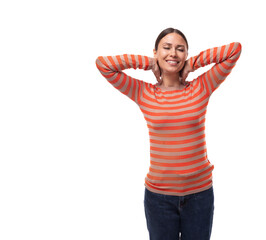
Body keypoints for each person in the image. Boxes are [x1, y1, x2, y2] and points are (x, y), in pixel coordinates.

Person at [95, 27, 242, 240]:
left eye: (180, 49)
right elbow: (104, 65)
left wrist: (193, 64)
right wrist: (148, 63)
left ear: (186, 55)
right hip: (159, 198)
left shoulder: (201, 87)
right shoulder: (144, 92)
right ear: (155, 52)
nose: (173, 53)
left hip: (199, 195)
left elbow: (234, 51)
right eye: (166, 48)